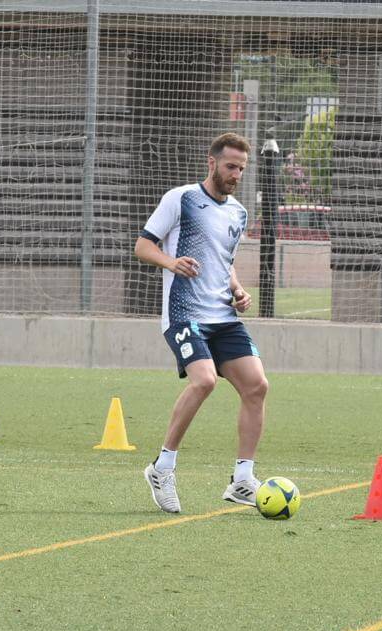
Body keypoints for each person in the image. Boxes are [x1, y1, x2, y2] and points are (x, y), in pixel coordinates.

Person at [133, 132, 269, 513]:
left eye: (241, 168)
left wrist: (239, 291)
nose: (236, 174)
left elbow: (224, 264)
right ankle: (162, 467)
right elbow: (143, 246)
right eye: (230, 166)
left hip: (222, 316)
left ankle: (242, 480)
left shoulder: (238, 213)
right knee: (205, 380)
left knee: (257, 386)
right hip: (184, 315)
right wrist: (170, 262)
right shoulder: (182, 199)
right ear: (212, 163)